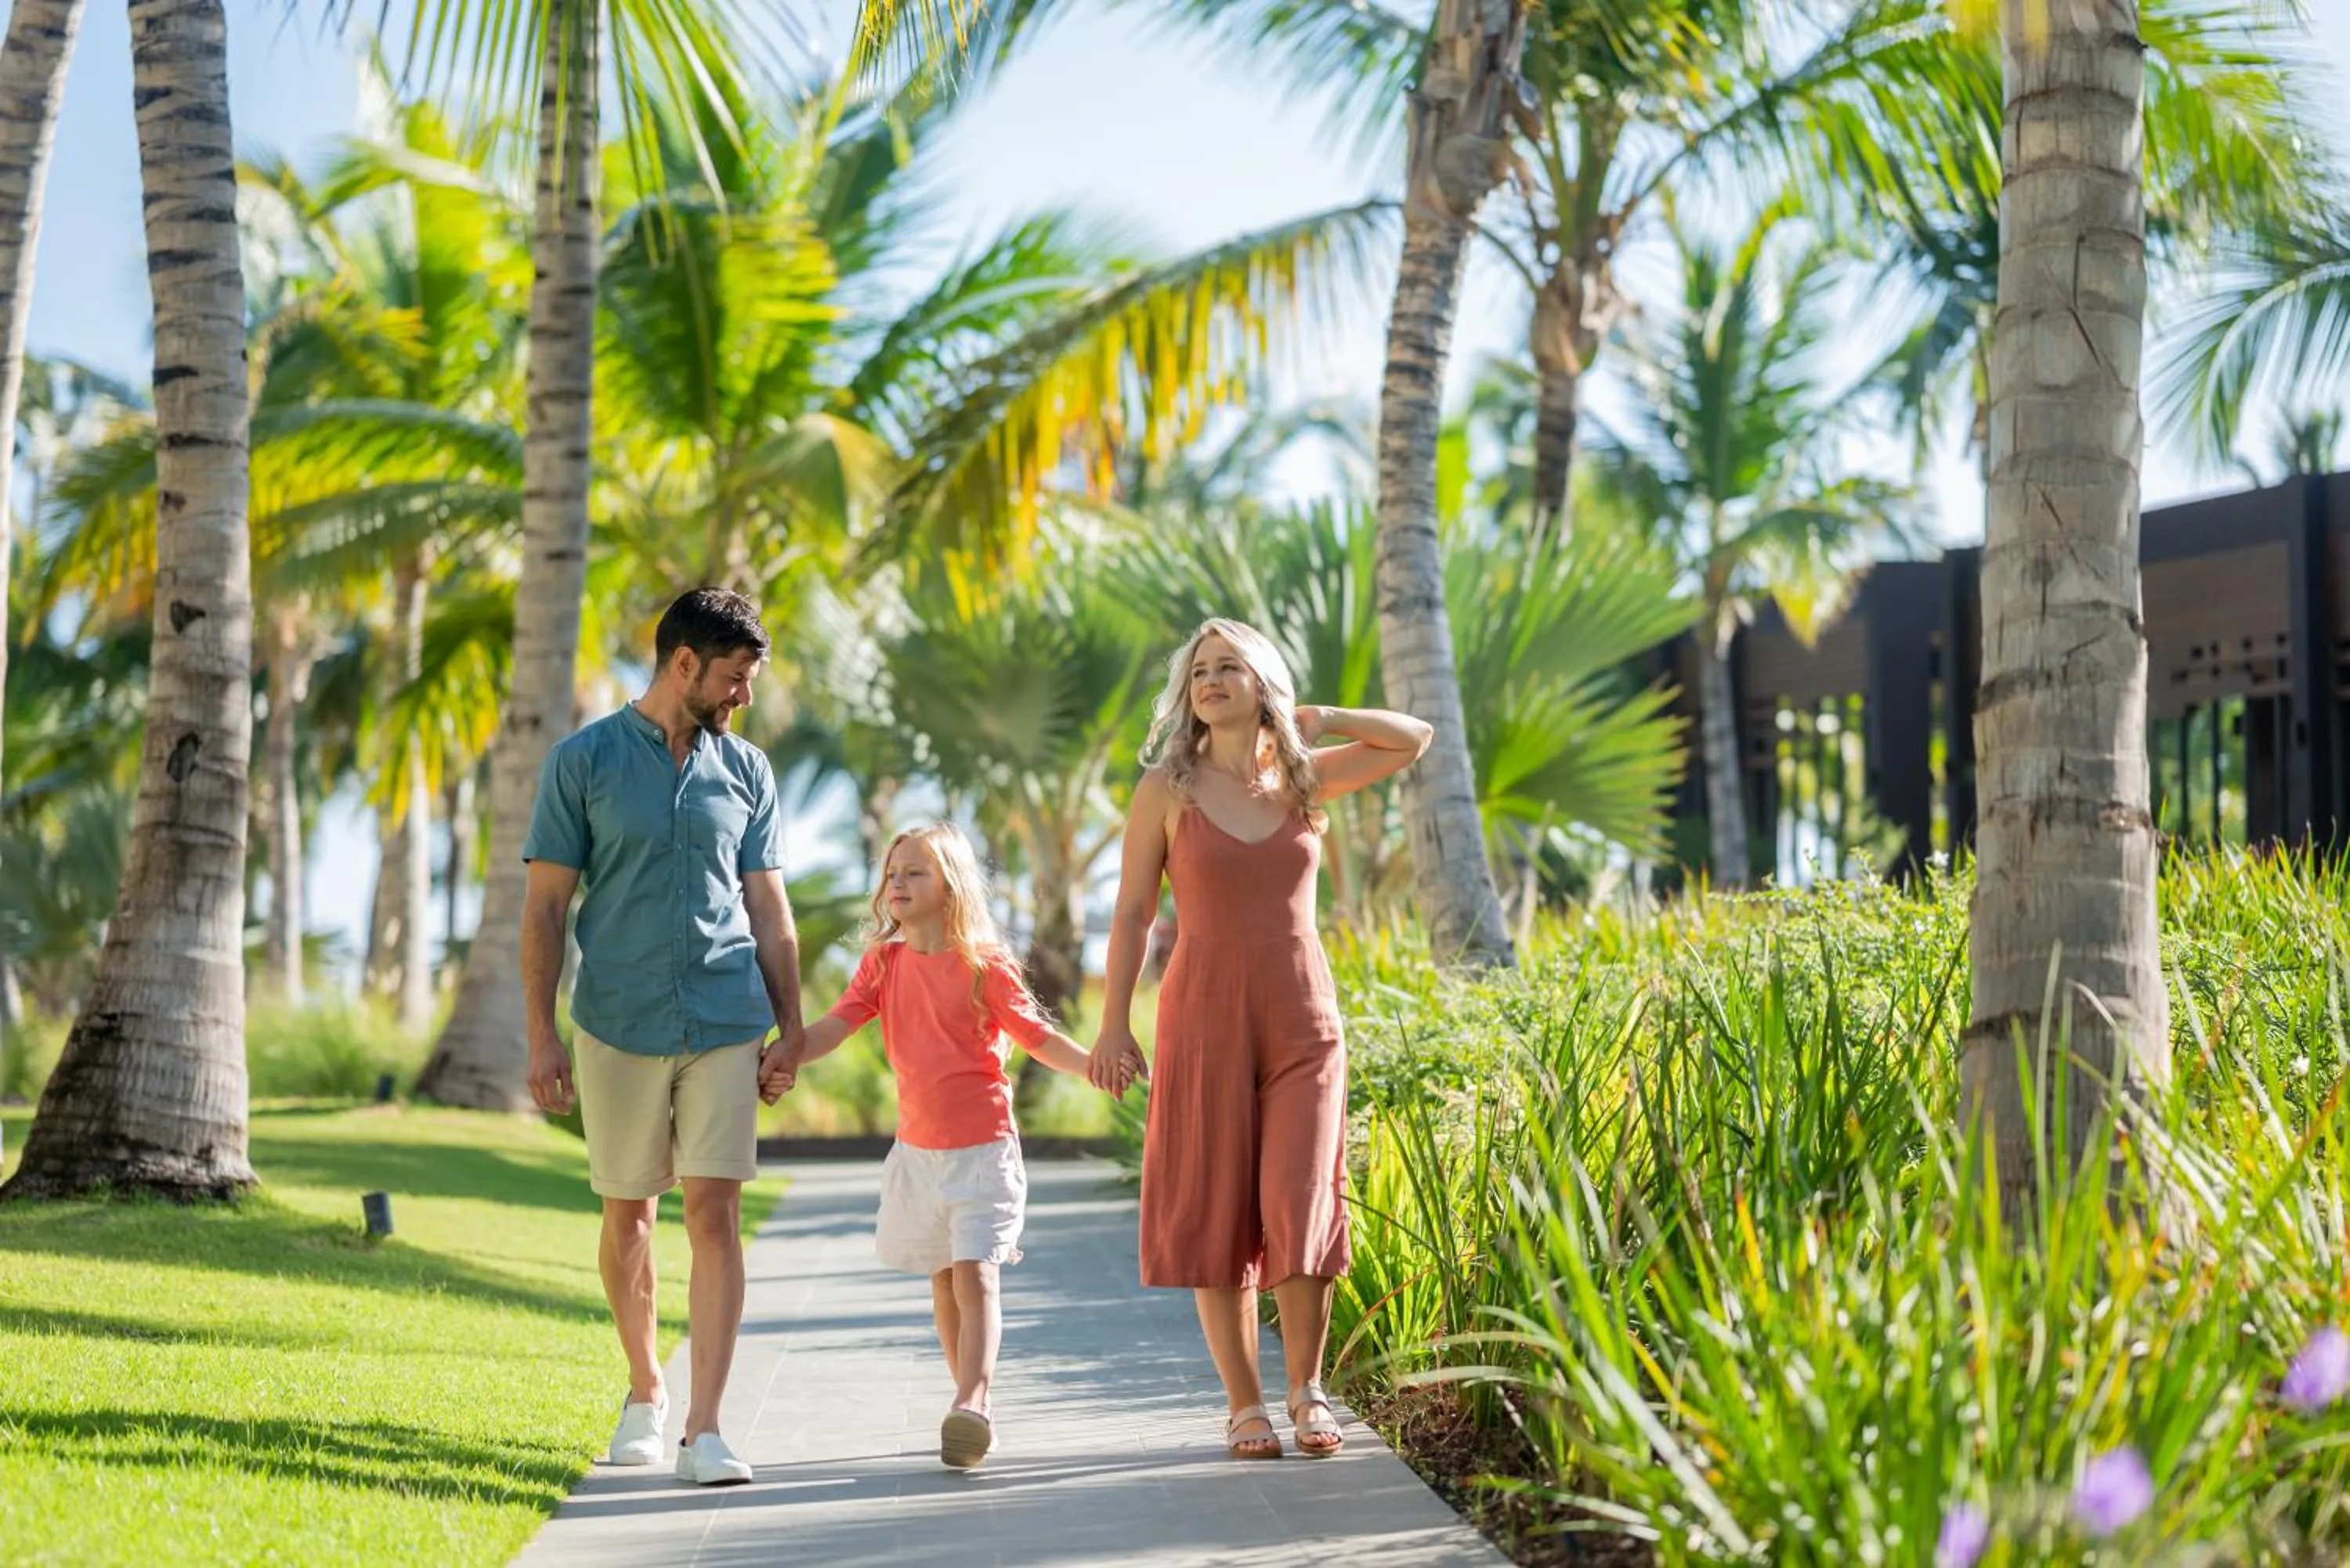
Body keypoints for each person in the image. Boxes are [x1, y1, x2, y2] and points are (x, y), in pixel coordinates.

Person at [1088, 619, 1430, 1460]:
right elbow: (1133, 912)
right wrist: (1111, 1021)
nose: (1209, 680)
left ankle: (1307, 1386)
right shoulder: (1168, 789)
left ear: (1260, 681)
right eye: (1199, 671)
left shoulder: (1305, 780)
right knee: (1213, 1206)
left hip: (1302, 1017)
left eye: (1228, 666)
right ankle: (1245, 1404)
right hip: (1202, 1014)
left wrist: (1314, 714)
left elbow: (1412, 740)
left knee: (1300, 1199)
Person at [521, 587, 805, 1487]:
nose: (743, 697)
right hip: (617, 1019)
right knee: (630, 1212)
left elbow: (769, 907)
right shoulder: (584, 761)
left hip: (724, 1017)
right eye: (733, 677)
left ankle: (706, 1429)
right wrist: (540, 1035)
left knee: (716, 1214)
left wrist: (791, 1029)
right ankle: (646, 1390)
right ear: (684, 663)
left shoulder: (748, 771)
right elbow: (545, 908)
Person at [767, 823, 1102, 1469]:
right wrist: (785, 1054)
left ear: (951, 886)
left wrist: (1094, 1065)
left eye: (915, 872)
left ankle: (974, 1399)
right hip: (919, 1156)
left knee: (977, 1276)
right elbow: (836, 1026)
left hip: (984, 1153)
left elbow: (1035, 1036)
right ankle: (967, 1405)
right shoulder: (883, 964)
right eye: (893, 873)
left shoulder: (983, 964)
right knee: (945, 1282)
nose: (898, 882)